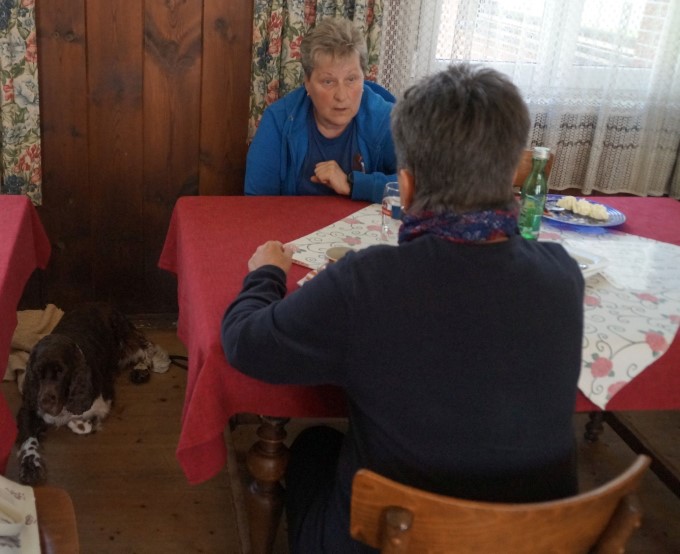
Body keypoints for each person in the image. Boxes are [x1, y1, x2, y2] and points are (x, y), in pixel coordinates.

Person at [222, 64, 584, 552]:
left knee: (312, 446)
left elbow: (245, 345)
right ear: (513, 173)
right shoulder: (563, 275)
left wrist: (266, 273)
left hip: (392, 538)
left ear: (406, 188)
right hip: (535, 541)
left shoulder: (367, 281)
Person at [245, 18, 397, 203]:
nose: (341, 96)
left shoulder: (385, 119)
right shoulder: (278, 121)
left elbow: (422, 186)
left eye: (351, 79)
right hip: (295, 220)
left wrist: (354, 184)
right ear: (307, 83)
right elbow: (256, 204)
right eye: (328, 81)